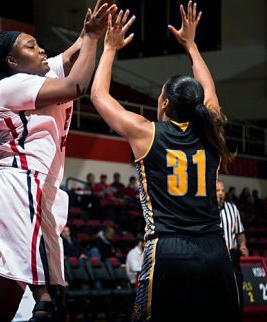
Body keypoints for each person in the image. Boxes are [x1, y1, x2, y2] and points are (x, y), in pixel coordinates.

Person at [90, 3, 240, 321]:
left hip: (169, 252)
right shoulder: (211, 131)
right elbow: (209, 89)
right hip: (215, 252)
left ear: (166, 103)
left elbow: (99, 96)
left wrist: (110, 49)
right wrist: (191, 45)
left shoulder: (147, 133)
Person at [0, 2, 117, 321]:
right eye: (31, 46)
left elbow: (68, 58)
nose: (41, 50)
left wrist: (92, 35)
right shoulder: (13, 84)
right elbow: (77, 85)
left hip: (12, 191)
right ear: (12, 61)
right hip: (20, 187)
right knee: (49, 303)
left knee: (1, 309)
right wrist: (91, 37)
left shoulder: (35, 76)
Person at [217, 180, 248, 315]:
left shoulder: (232, 208)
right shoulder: (206, 210)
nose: (221, 193)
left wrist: (242, 245)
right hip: (215, 256)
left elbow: (239, 232)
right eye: (217, 190)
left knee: (236, 288)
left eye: (222, 190)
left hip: (232, 254)